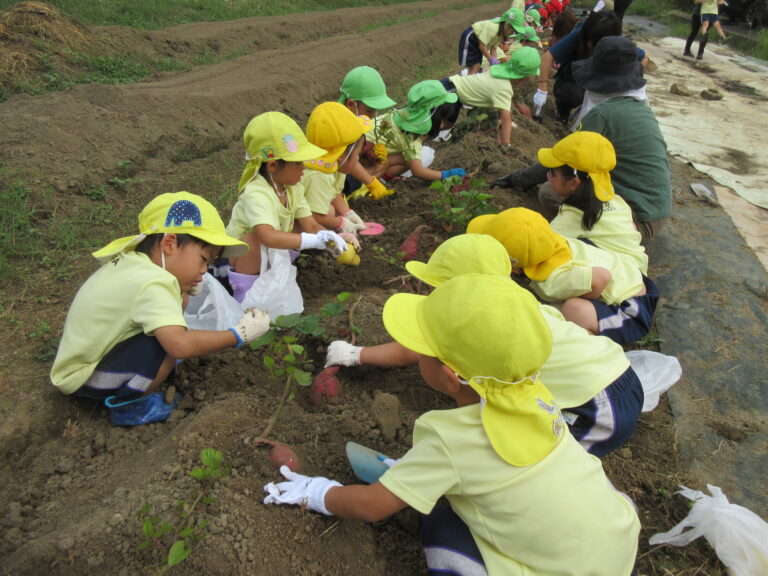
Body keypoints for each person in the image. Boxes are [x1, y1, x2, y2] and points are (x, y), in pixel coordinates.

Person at [264, 274, 641, 576]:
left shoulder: (451, 440)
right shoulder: (537, 394)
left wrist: (316, 493)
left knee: (441, 527)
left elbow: (370, 506)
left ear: (449, 374)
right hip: (617, 540)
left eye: (421, 349)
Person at [325, 233, 645, 456]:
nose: (429, 292)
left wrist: (355, 354)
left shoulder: (471, 318)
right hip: (613, 368)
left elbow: (408, 353)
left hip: (598, 407)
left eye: (435, 287)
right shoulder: (519, 303)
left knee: (536, 464)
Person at [50, 192, 271, 425]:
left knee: (168, 332)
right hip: (87, 377)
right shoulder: (154, 283)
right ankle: (132, 406)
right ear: (169, 244)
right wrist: (238, 334)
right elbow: (180, 345)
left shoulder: (134, 263)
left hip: (82, 365)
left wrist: (182, 293)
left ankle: (137, 380)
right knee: (167, 343)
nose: (205, 270)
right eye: (204, 259)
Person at [494, 36, 670, 243]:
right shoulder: (637, 106)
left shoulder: (604, 114)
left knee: (550, 192)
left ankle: (593, 242)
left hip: (637, 219)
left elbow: (563, 159)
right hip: (656, 208)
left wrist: (517, 179)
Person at [468, 207, 658, 345]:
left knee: (572, 309)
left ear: (513, 265)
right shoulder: (555, 241)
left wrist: (583, 297)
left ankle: (590, 341)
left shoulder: (553, 281)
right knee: (555, 308)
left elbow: (601, 277)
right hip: (629, 276)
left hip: (631, 308)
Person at [225, 111, 349, 302]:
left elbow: (312, 226)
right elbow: (267, 235)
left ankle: (273, 277)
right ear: (273, 166)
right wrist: (312, 241)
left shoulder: (293, 188)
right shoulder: (257, 193)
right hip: (240, 259)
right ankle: (244, 296)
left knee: (300, 227)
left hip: (271, 250)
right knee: (252, 240)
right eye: (298, 163)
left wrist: (332, 237)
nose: (304, 167)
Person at [537, 131, 649, 275]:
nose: (548, 177)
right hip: (639, 271)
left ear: (573, 182)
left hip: (618, 284)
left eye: (552, 173)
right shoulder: (619, 203)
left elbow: (539, 248)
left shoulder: (571, 217)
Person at [440, 47, 542, 149]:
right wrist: (506, 145)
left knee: (444, 125)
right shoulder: (504, 88)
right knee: (438, 126)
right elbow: (506, 119)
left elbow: (500, 112)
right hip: (448, 92)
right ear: (526, 77)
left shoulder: (499, 69)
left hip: (452, 87)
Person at [531, 10, 624, 122]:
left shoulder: (617, 46)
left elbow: (642, 58)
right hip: (572, 79)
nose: (590, 44)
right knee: (571, 95)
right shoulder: (580, 33)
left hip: (597, 79)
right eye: (589, 40)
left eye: (595, 41)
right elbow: (547, 57)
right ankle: (562, 113)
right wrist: (542, 90)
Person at [367, 80, 466, 182]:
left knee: (409, 156)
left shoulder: (398, 113)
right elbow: (418, 171)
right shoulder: (412, 138)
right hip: (363, 163)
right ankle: (378, 178)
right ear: (441, 124)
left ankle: (379, 173)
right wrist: (445, 175)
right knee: (422, 156)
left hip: (361, 149)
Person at [302, 102, 372, 243]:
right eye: (357, 154)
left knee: (331, 210)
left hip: (307, 214)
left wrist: (348, 213)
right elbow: (316, 215)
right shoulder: (318, 175)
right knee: (329, 212)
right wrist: (341, 223)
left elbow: (333, 193)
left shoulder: (331, 164)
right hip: (293, 224)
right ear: (341, 155)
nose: (358, 158)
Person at [337, 66, 398, 200]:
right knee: (377, 169)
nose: (372, 116)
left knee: (381, 164)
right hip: (330, 180)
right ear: (351, 104)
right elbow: (344, 160)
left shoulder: (349, 118)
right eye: (370, 111)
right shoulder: (339, 126)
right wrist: (371, 182)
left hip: (338, 174)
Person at [457, 7, 527, 75]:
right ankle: (466, 82)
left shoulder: (501, 33)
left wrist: (495, 62)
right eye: (513, 30)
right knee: (475, 66)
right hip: (471, 37)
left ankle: (468, 78)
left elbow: (493, 49)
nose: (512, 33)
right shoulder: (493, 28)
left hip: (478, 41)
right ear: (507, 24)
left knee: (476, 66)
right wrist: (490, 59)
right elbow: (482, 46)